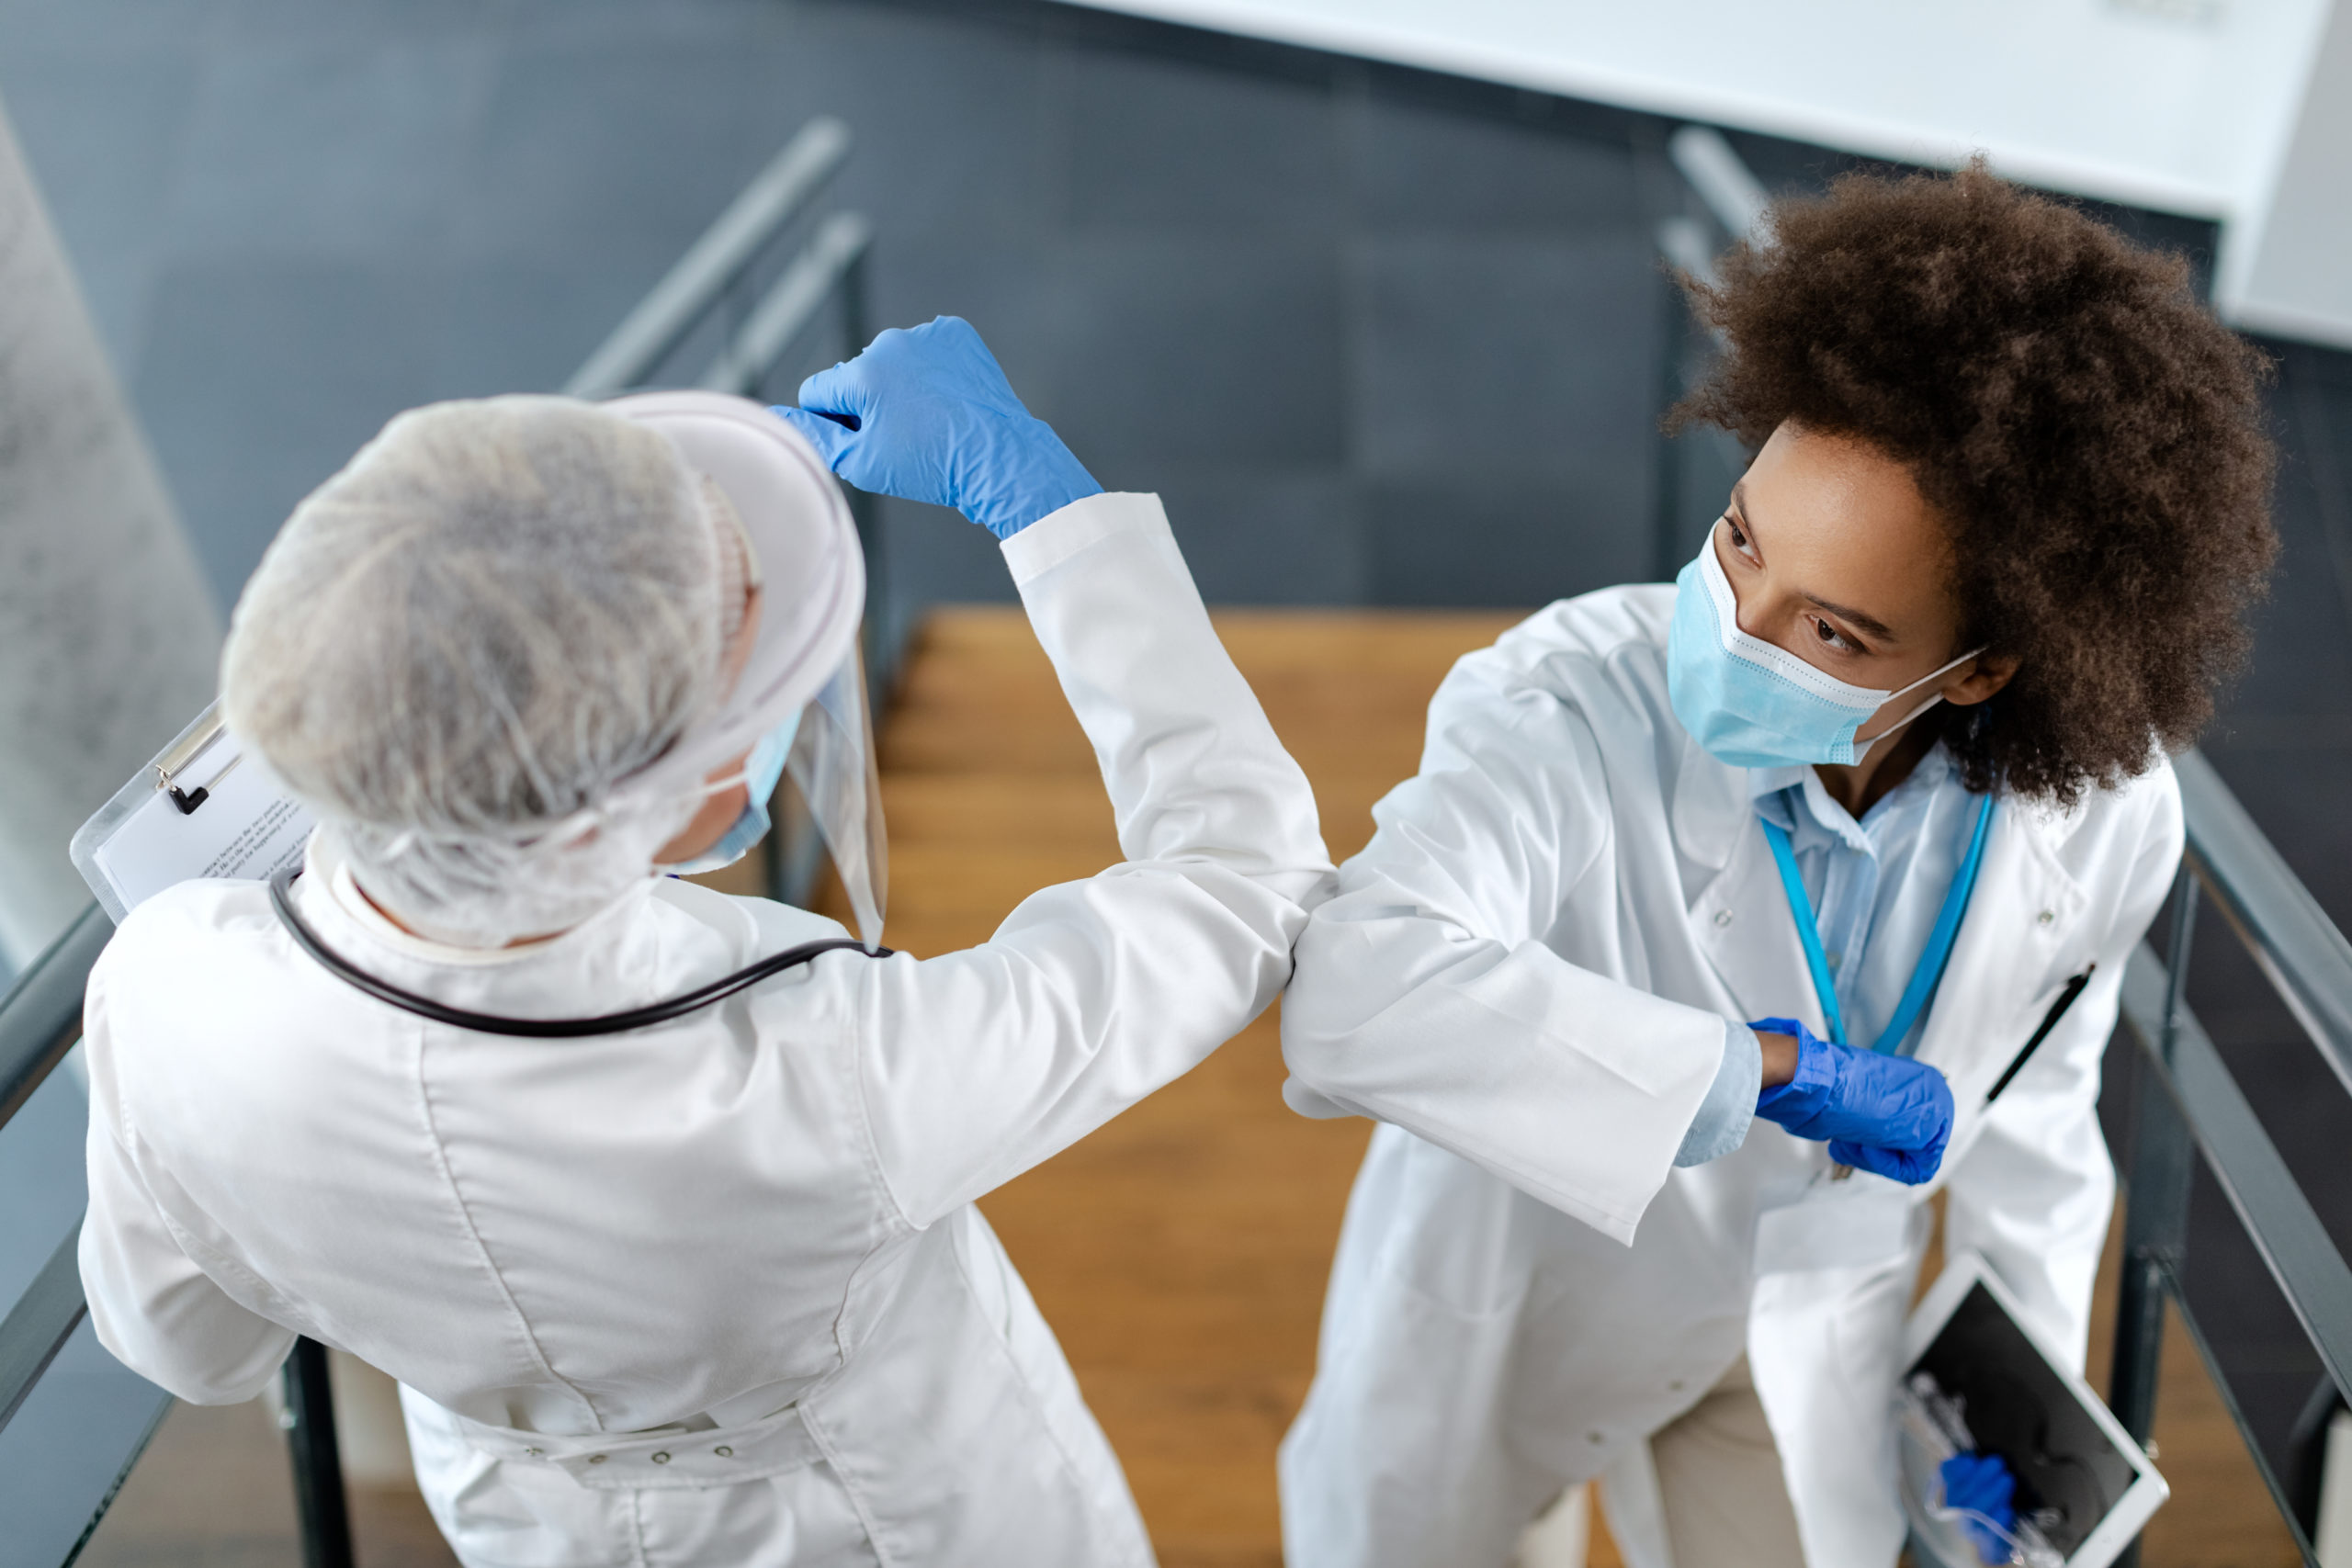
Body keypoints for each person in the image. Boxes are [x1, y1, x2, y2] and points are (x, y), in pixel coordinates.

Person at [77, 318, 1337, 1567]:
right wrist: (1048, 509)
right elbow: (1243, 883)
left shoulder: (159, 991)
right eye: (738, 686)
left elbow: (189, 1348)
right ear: (667, 798)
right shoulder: (833, 1078)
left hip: (520, 1520)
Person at [1276, 167, 2278, 1568]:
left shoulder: (2107, 819)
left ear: (1983, 667)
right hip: (1527, 1292)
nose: (1735, 629)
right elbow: (1350, 1000)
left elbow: (2041, 1121)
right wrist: (1764, 1073)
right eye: (1740, 540)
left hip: (1811, 1328)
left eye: (1834, 634)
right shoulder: (1565, 703)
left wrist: (2021, 1412)